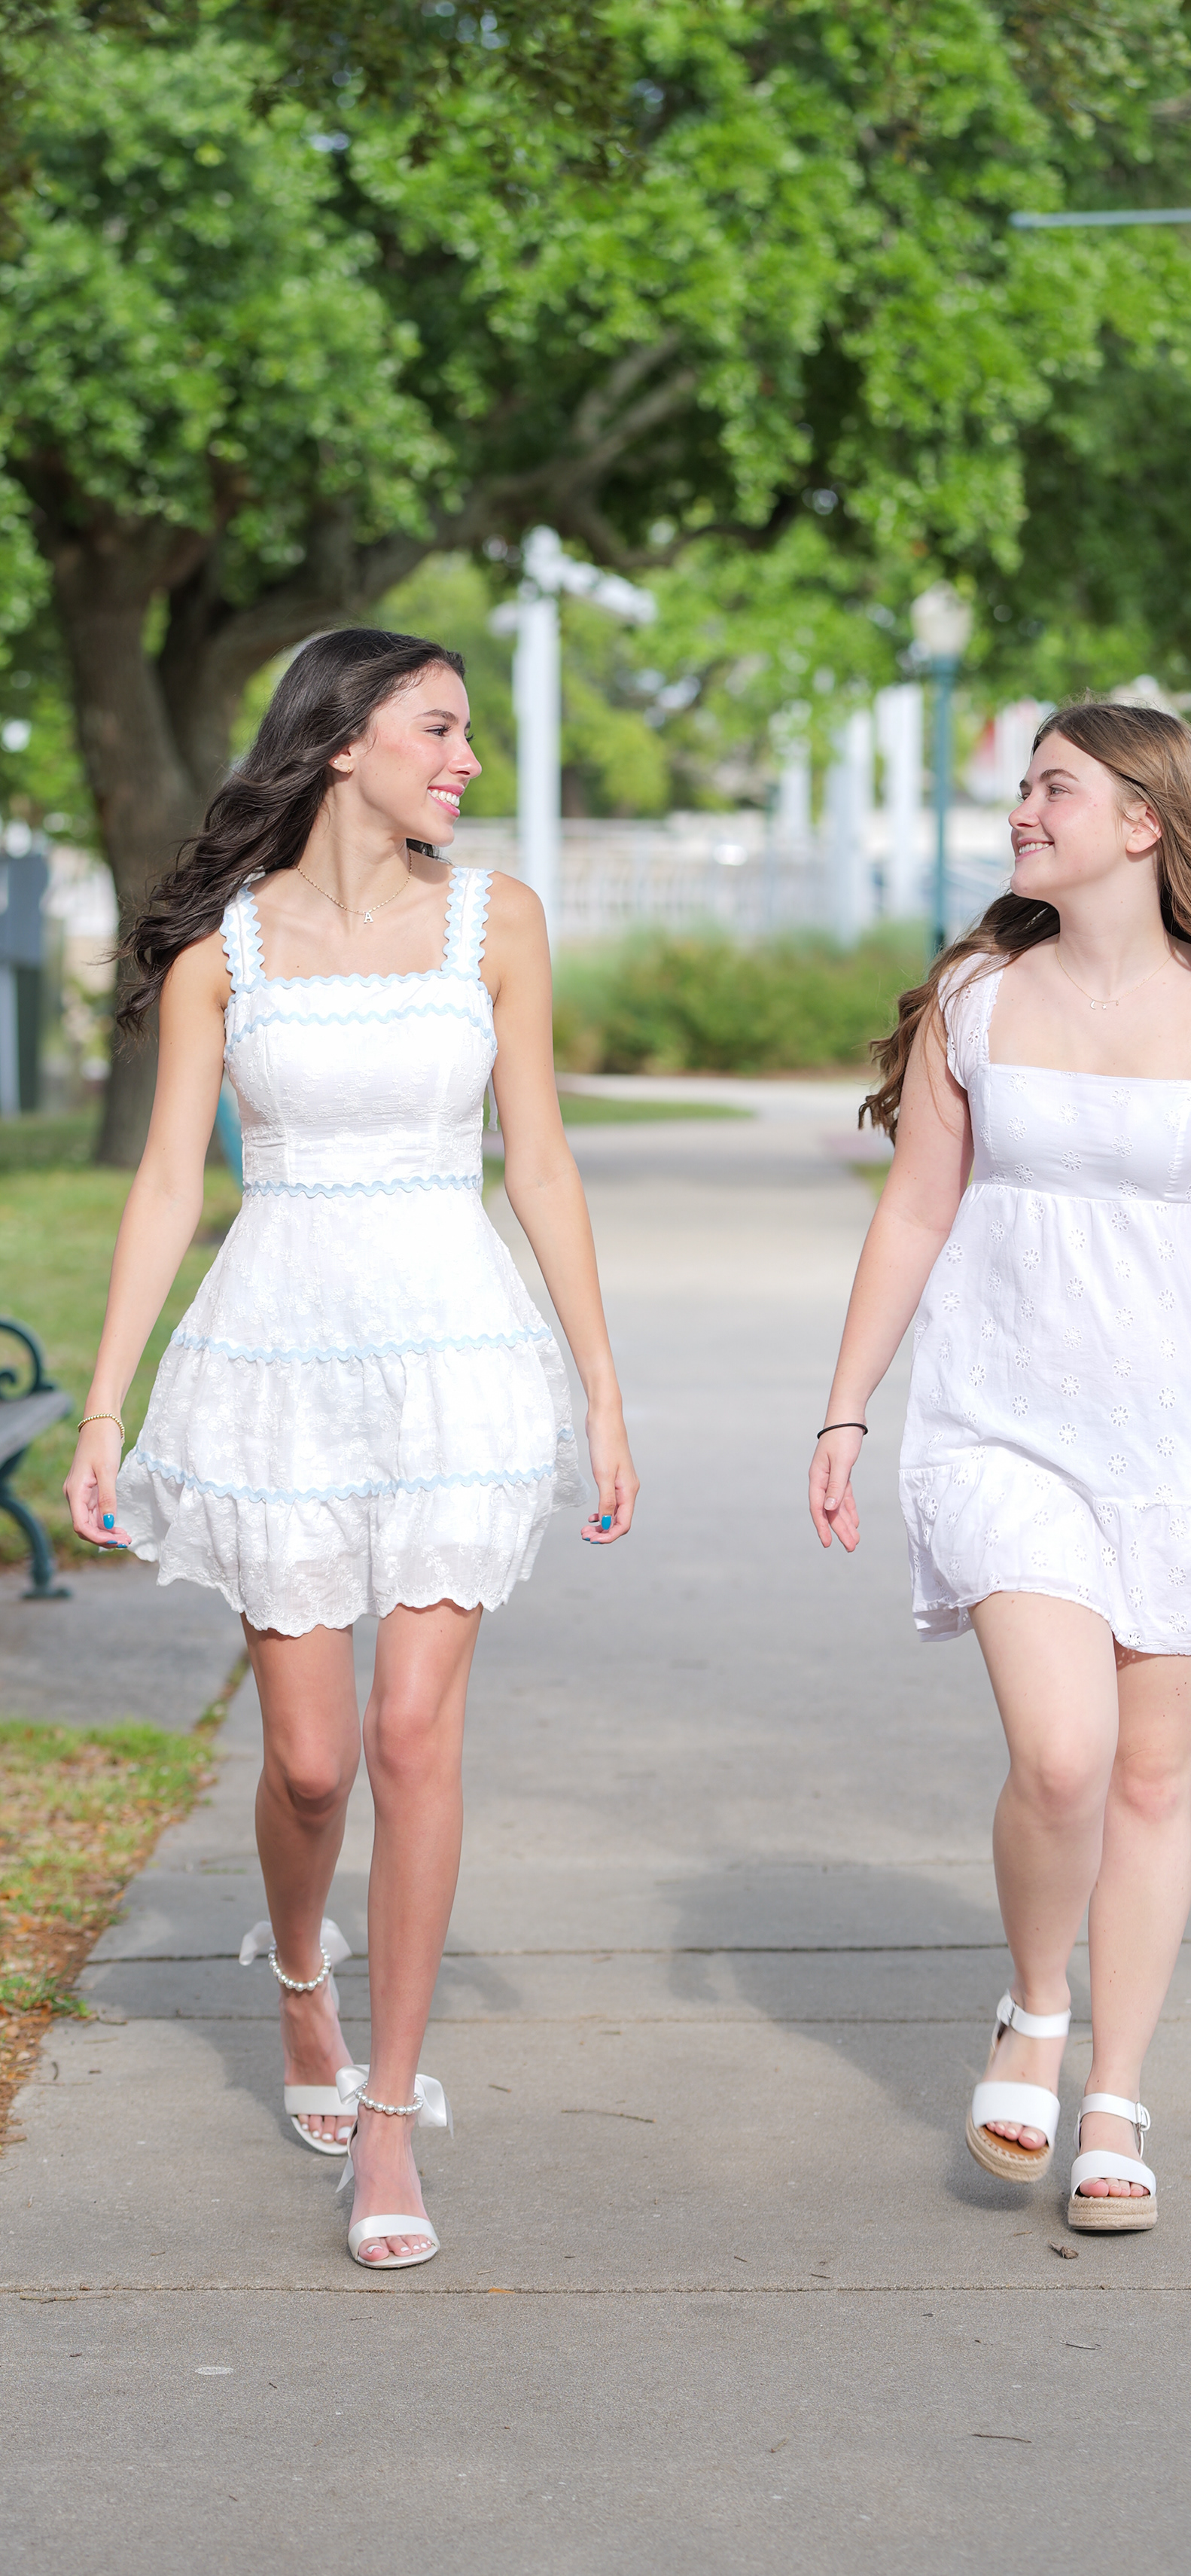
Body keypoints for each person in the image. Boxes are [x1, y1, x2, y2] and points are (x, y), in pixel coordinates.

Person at [65, 629, 638, 2272]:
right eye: (438, 728)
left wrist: (599, 1390)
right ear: (340, 741)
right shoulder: (222, 946)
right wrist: (105, 1403)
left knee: (408, 1732)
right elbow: (169, 1181)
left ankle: (390, 2117)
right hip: (277, 1363)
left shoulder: (498, 922)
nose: (468, 761)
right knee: (312, 1762)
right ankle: (304, 1980)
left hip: (457, 1356)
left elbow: (540, 1161)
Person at [809, 701, 1191, 2233]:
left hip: (1184, 1432)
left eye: (1054, 787)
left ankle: (1117, 2094)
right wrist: (848, 1407)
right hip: (1001, 1419)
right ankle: (1037, 2008)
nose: (1022, 810)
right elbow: (916, 1210)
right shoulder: (974, 999)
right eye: (1023, 786)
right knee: (1062, 1755)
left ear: (1142, 823)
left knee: (1149, 1774)